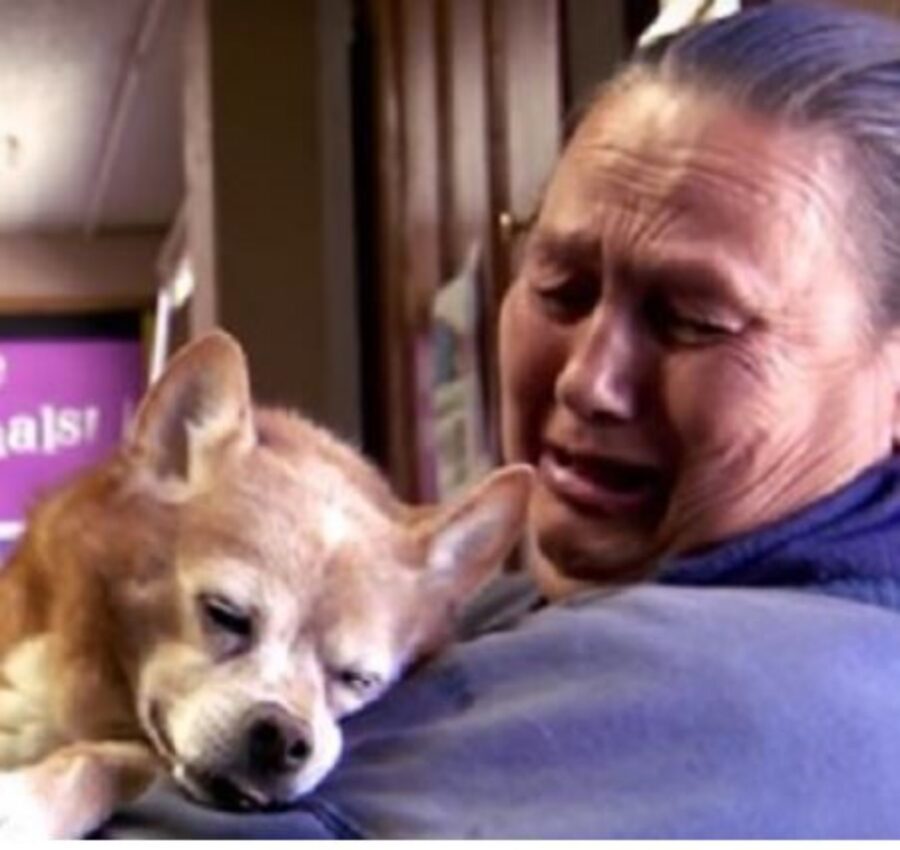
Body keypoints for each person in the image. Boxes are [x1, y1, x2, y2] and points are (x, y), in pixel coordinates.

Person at [102, 3, 900, 838]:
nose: (589, 380)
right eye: (559, 286)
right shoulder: (511, 609)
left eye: (696, 319)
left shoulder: (751, 692)